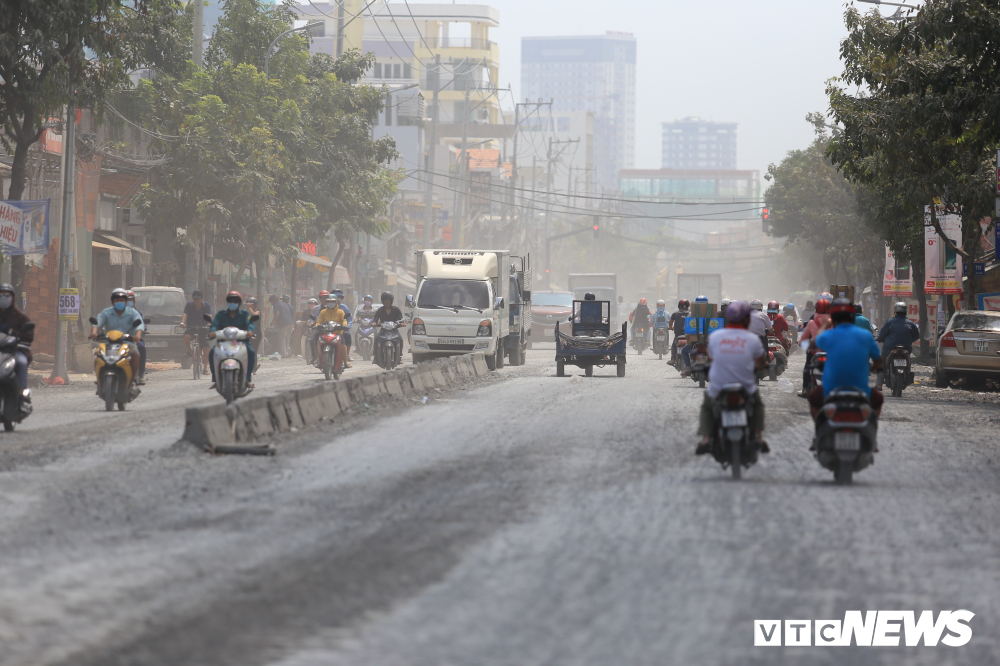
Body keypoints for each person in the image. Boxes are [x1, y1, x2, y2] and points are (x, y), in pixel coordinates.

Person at [695, 300, 769, 455]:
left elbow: (713, 358)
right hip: (745, 386)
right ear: (746, 319)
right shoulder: (753, 339)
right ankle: (758, 436)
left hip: (719, 386)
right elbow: (761, 362)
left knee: (707, 406)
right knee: (758, 405)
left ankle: (706, 439)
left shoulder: (715, 336)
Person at [809, 298, 883, 427]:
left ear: (834, 317)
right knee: (878, 399)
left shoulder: (828, 335)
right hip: (861, 390)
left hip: (830, 389)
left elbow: (815, 342)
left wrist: (825, 325)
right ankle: (871, 429)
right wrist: (872, 367)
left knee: (813, 398)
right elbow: (879, 362)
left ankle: (819, 429)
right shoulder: (866, 336)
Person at [90, 287, 142, 389]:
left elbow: (139, 325)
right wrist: (94, 333)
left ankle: (132, 382)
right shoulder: (106, 312)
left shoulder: (132, 313)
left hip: (128, 343)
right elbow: (97, 323)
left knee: (135, 354)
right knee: (97, 355)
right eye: (117, 300)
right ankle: (99, 378)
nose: (119, 302)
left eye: (121, 300)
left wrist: (138, 335)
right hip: (109, 343)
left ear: (126, 301)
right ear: (113, 301)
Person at [208, 291, 256, 390]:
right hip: (223, 342)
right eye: (230, 301)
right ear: (227, 302)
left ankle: (247, 379)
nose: (232, 303)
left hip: (242, 342)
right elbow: (214, 324)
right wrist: (212, 331)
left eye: (235, 301)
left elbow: (250, 323)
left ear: (239, 303)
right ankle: (215, 379)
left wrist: (250, 331)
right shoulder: (221, 314)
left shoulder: (245, 314)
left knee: (251, 352)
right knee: (212, 352)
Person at [874, 301, 920, 391]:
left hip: (889, 348)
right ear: (905, 311)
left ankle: (879, 385)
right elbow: (916, 336)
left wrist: (879, 338)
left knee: (882, 363)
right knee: (909, 361)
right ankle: (907, 372)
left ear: (895, 311)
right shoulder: (911, 323)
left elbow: (882, 335)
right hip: (906, 348)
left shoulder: (890, 322)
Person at [0, 283, 33, 401]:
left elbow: (28, 335)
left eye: (6, 295)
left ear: (12, 297)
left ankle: (22, 392)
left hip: (15, 350)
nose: (3, 298)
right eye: (1, 295)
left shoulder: (20, 317)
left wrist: (12, 332)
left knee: (22, 362)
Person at [800, 298, 831, 394]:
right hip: (830, 352)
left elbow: (803, 340)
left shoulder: (812, 322)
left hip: (815, 352)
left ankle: (805, 388)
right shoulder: (834, 322)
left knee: (807, 367)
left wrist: (803, 345)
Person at [182, 290, 213, 374]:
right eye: (194, 299)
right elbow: (185, 314)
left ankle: (205, 368)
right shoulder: (189, 305)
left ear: (202, 299)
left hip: (203, 328)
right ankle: (190, 350)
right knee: (186, 337)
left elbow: (209, 316)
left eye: (198, 299)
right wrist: (182, 323)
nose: (196, 300)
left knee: (206, 348)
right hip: (191, 327)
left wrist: (210, 323)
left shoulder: (206, 306)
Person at [314, 294, 348, 366]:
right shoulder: (323, 312)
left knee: (342, 343)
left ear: (336, 302)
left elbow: (344, 320)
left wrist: (344, 325)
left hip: (338, 332)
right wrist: (317, 326)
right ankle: (320, 361)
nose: (330, 303)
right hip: (325, 332)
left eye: (332, 302)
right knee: (319, 342)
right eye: (329, 302)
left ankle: (345, 361)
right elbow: (319, 321)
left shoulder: (341, 312)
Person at [126, 290, 148, 384]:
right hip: (119, 339)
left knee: (141, 347)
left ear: (133, 300)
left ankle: (141, 373)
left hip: (134, 339)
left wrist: (139, 334)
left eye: (130, 299)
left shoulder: (138, 313)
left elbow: (142, 326)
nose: (128, 301)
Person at [332, 289, 353, 367]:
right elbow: (320, 318)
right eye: (336, 297)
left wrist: (347, 326)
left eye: (339, 297)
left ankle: (346, 356)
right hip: (328, 329)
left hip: (340, 329)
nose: (338, 298)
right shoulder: (325, 309)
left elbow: (348, 319)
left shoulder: (343, 308)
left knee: (347, 335)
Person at [669, 298, 690, 365]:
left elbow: (670, 323)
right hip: (688, 336)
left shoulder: (675, 314)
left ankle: (673, 359)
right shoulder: (690, 314)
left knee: (674, 345)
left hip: (678, 335)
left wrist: (671, 327)